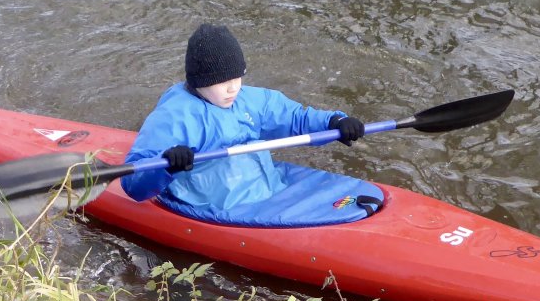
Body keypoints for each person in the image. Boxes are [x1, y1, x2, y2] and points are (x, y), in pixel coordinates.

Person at [120, 23, 373, 226]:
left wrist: (335, 122)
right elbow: (133, 184)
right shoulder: (175, 117)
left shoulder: (250, 100)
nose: (233, 88)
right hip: (212, 203)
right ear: (199, 82)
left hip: (268, 187)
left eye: (237, 78)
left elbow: (296, 118)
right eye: (222, 82)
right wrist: (166, 164)